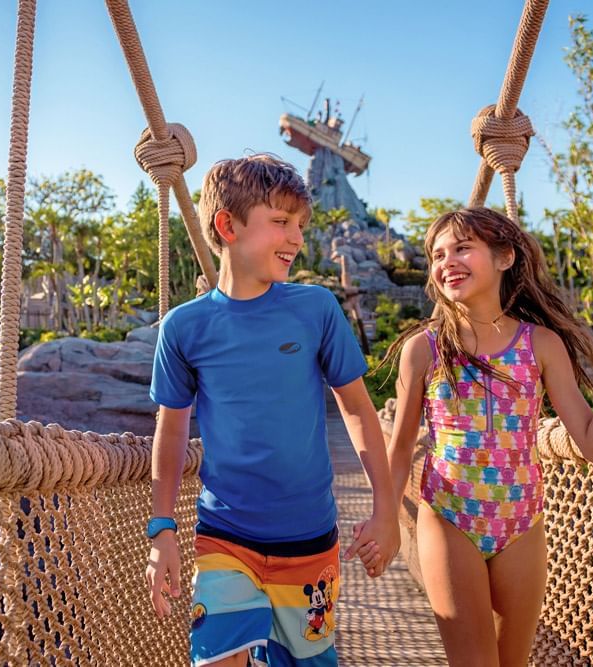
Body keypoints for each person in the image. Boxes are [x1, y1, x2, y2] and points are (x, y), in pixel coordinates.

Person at [382, 207, 593, 666]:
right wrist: (384, 520)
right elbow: (399, 449)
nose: (446, 261)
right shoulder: (425, 347)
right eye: (438, 254)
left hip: (522, 524)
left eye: (462, 248)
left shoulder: (541, 344)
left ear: (504, 257)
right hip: (449, 515)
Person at [146, 154, 400, 666]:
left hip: (310, 540)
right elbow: (171, 433)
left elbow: (356, 410)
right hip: (224, 539)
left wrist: (387, 509)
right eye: (281, 222)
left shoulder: (316, 310)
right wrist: (162, 528)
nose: (297, 239)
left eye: (300, 225)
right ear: (227, 225)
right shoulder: (183, 328)